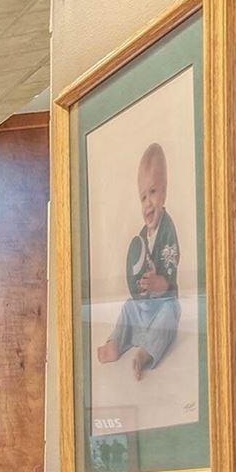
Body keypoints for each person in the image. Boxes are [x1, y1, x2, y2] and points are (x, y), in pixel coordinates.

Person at [95, 142, 181, 382]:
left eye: (153, 192)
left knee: (169, 316)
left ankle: (144, 355)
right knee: (128, 309)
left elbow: (171, 273)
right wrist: (139, 288)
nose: (147, 203)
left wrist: (160, 283)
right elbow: (136, 276)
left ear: (164, 193)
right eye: (143, 196)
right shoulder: (142, 237)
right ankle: (115, 343)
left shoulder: (167, 230)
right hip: (144, 306)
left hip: (163, 303)